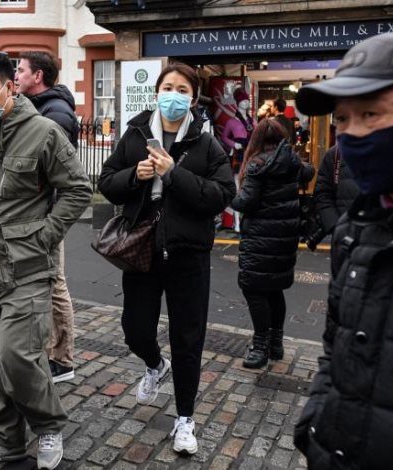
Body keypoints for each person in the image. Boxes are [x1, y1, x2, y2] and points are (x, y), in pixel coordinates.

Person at [293, 31, 393, 470]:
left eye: (371, 113)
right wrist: (316, 426)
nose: (351, 134)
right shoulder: (356, 228)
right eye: (342, 119)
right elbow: (335, 347)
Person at [0, 49, 91, 470]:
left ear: (9, 86)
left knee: (19, 357)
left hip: (27, 268)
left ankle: (48, 426)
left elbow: (77, 189)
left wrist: (45, 237)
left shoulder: (44, 132)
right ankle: (6, 438)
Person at [98, 63, 235, 455]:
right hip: (141, 248)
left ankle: (185, 418)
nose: (173, 95)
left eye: (182, 89)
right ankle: (155, 365)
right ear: (156, 92)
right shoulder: (136, 134)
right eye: (167, 87)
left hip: (188, 254)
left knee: (187, 339)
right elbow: (107, 182)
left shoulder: (205, 143)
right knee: (135, 329)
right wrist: (135, 176)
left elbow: (222, 195)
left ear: (193, 98)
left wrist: (174, 174)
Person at [15, 50, 79, 383]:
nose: (16, 75)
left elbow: (52, 169)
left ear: (37, 76)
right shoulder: (37, 107)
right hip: (33, 212)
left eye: (21, 70)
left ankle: (63, 360)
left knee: (54, 284)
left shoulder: (56, 114)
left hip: (46, 214)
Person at [231, 119, 314, 369]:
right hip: (285, 238)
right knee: (275, 289)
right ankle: (276, 344)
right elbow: (309, 172)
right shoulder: (292, 162)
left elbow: (245, 202)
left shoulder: (258, 165)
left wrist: (229, 196)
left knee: (254, 288)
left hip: (260, 237)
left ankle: (260, 346)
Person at [313, 144, 359, 235]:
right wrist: (335, 226)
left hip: (380, 233)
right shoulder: (335, 154)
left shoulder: (385, 151)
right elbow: (322, 193)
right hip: (344, 233)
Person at [221, 87, 254, 174]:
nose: (246, 102)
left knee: (250, 175)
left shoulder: (252, 121)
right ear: (238, 103)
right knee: (237, 175)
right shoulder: (231, 122)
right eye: (243, 100)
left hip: (251, 152)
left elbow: (258, 135)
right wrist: (234, 144)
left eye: (247, 100)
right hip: (238, 152)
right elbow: (223, 137)